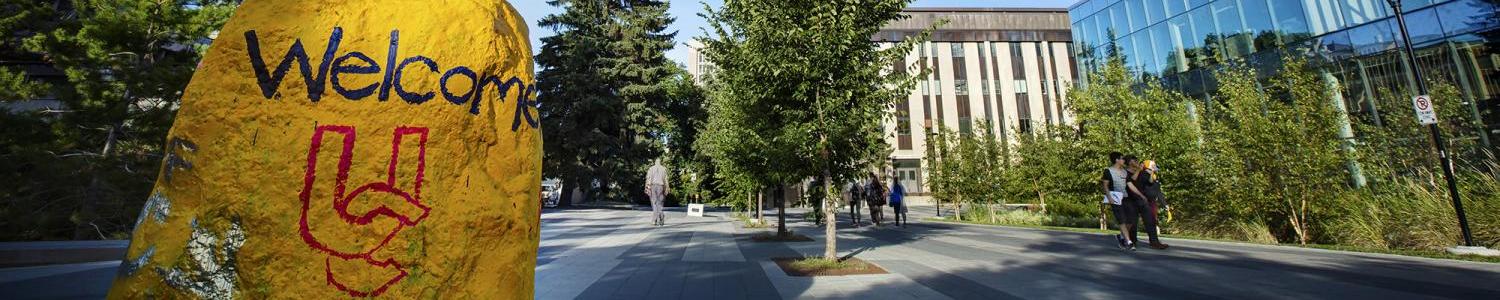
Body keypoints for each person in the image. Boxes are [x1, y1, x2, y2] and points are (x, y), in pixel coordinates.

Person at [1128, 159, 1170, 250]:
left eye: (1155, 165)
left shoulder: (1153, 177)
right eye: (1152, 165)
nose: (1154, 167)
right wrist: (1151, 171)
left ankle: (1154, 242)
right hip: (1137, 200)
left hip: (1147, 202)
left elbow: (1157, 192)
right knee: (1133, 222)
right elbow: (1149, 181)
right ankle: (1132, 242)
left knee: (1151, 222)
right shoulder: (1142, 174)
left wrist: (1165, 204)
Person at [1100, 152, 1135, 250]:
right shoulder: (1108, 171)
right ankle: (1128, 242)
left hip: (1126, 198)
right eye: (1122, 159)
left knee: (1131, 219)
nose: (1124, 160)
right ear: (1117, 160)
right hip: (1115, 198)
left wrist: (1141, 195)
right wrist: (1110, 198)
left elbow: (1129, 184)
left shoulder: (1125, 172)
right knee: (1121, 220)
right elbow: (1105, 186)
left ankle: (1121, 236)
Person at [644, 159, 669, 226]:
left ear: (655, 162)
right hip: (661, 187)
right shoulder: (664, 169)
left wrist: (647, 188)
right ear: (660, 162)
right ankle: (661, 216)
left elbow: (648, 178)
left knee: (654, 202)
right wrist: (667, 188)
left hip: (653, 186)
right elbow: (666, 180)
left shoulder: (651, 168)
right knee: (659, 203)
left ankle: (655, 219)